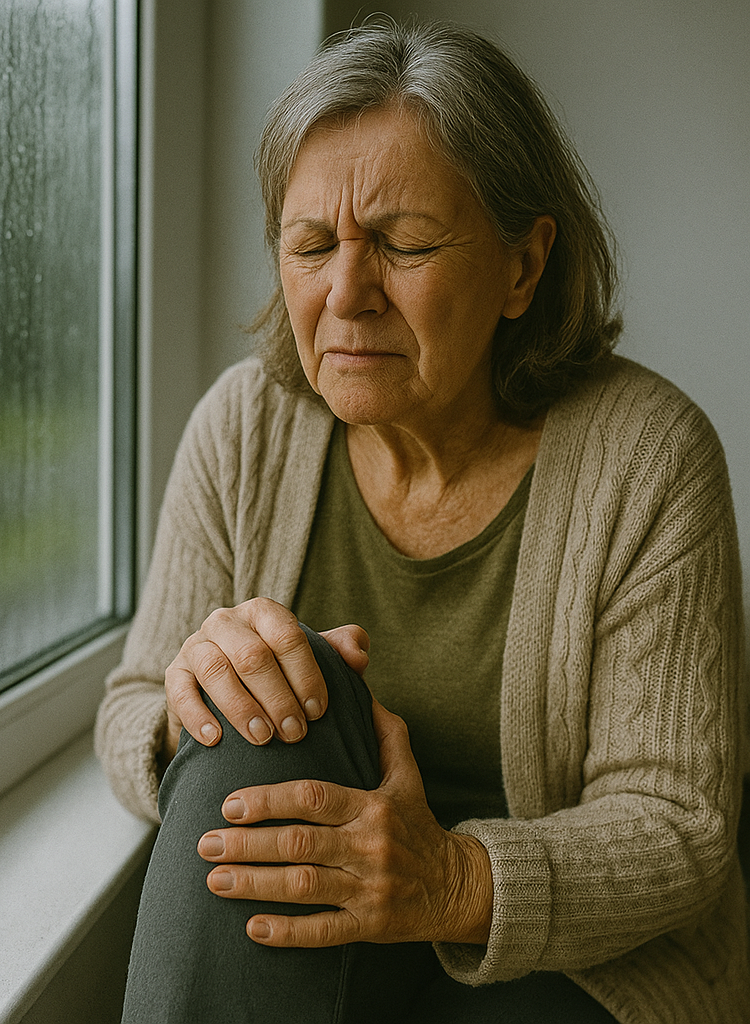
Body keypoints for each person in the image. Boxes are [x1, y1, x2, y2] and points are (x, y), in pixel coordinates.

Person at [95, 19, 745, 1023]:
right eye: (312, 245)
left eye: (402, 244)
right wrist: (191, 701)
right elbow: (129, 703)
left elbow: (680, 828)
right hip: (315, 949)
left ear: (522, 267)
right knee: (243, 715)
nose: (346, 293)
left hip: (567, 965)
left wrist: (445, 879)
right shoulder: (244, 424)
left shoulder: (651, 457)